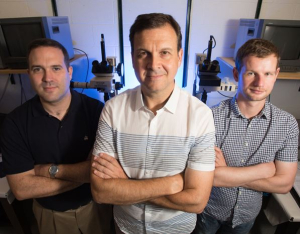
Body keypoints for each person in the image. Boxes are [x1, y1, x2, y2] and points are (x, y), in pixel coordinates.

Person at [90, 13, 216, 234]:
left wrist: (126, 185)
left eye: (164, 53)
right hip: (125, 228)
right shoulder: (112, 110)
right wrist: (171, 184)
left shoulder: (200, 116)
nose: (154, 64)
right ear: (132, 57)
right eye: (143, 53)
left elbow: (196, 201)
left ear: (179, 56)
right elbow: (101, 192)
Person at [0, 38, 112, 234]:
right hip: (50, 217)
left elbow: (103, 172)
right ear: (29, 74)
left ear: (69, 73)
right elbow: (22, 189)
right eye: (37, 69)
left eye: (55, 68)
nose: (47, 78)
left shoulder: (96, 111)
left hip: (96, 208)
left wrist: (50, 170)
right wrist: (86, 175)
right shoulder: (14, 124)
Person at [193, 38, 299, 234]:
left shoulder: (287, 125)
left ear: (276, 74)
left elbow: (284, 184)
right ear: (236, 73)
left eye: (267, 74)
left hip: (246, 218)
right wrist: (263, 170)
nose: (260, 82)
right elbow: (207, 177)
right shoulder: (210, 118)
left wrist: (228, 173)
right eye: (251, 73)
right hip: (208, 213)